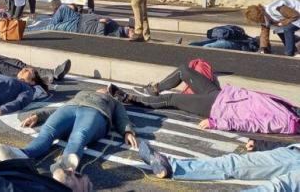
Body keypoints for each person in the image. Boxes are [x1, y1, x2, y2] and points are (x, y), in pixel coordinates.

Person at [111, 64, 300, 134]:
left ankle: (130, 99)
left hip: (218, 109)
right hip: (223, 95)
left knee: (173, 100)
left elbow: (252, 125)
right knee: (184, 70)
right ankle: (155, 88)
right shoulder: (291, 108)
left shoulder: (287, 122)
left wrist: (216, 122)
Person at [0, 87, 137, 173]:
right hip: (69, 108)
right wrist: (38, 115)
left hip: (95, 112)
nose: (105, 89)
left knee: (79, 135)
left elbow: (122, 118)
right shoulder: (83, 92)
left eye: (108, 89)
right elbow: (59, 108)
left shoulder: (114, 102)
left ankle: (66, 165)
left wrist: (127, 131)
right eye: (104, 87)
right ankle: (21, 154)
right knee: (47, 130)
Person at [137, 138, 300, 191]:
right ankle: (172, 167)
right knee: (234, 163)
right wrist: (261, 144)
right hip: (293, 152)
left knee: (279, 186)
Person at [32, 0, 132, 38]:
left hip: (77, 27)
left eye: (132, 32)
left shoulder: (117, 34)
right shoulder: (119, 27)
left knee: (50, 28)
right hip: (78, 17)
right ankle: (46, 25)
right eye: (132, 29)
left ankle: (28, 30)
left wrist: (102, 23)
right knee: (63, 8)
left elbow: (100, 36)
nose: (131, 30)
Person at [187, 24, 258, 52]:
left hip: (226, 39)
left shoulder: (248, 41)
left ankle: (190, 48)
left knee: (204, 45)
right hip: (227, 40)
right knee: (203, 45)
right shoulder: (249, 42)